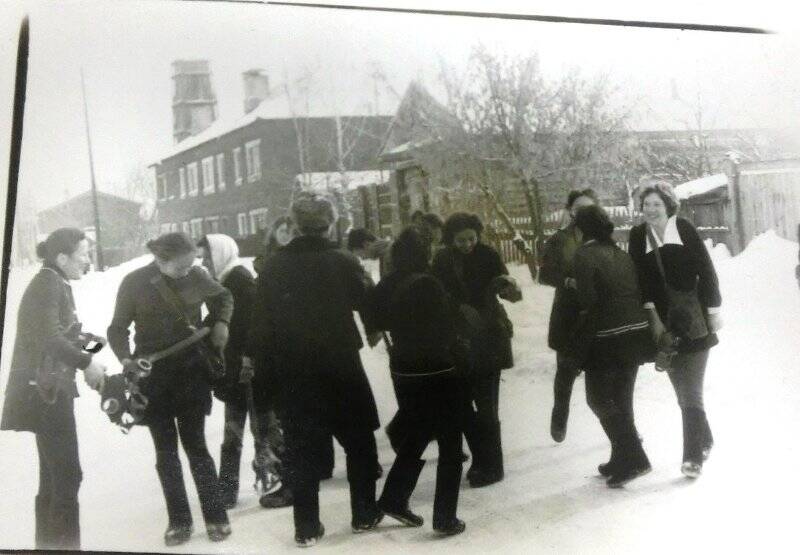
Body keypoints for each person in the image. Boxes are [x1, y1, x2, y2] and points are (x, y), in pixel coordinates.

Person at [247, 192, 383, 547]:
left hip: (294, 370)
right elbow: (368, 304)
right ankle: (365, 513)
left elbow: (260, 326)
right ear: (331, 222)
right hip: (340, 365)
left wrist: (263, 376)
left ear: (293, 224)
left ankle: (306, 527)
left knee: (301, 447)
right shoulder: (342, 260)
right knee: (358, 441)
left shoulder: (274, 266)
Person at [107, 232, 233, 546]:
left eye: (191, 265)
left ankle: (216, 517)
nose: (187, 272)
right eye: (180, 267)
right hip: (153, 378)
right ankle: (179, 522)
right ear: (161, 260)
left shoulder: (196, 274)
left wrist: (221, 322)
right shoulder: (134, 283)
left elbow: (223, 297)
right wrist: (126, 360)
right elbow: (117, 328)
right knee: (165, 453)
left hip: (191, 372)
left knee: (197, 447)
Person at [1, 228, 107, 550]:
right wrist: (86, 363)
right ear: (62, 257)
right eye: (83, 254)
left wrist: (90, 345)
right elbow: (49, 337)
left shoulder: (53, 280)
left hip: (46, 392)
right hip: (45, 394)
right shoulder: (48, 283)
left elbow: (57, 333)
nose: (87, 261)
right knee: (67, 478)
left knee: (53, 480)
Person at [369, 227, 470, 536]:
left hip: (402, 370)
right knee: (451, 443)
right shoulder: (430, 284)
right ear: (424, 255)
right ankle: (445, 517)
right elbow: (447, 327)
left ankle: (394, 498)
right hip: (437, 370)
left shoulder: (384, 285)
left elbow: (373, 325)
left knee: (417, 432)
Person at [629, 182, 722, 479]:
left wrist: (713, 310)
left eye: (656, 204)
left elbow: (707, 271)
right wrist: (651, 317)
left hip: (693, 323)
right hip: (663, 327)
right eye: (646, 205)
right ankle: (704, 438)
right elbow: (638, 281)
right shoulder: (637, 236)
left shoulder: (683, 228)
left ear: (668, 205)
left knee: (691, 391)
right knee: (682, 392)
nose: (651, 210)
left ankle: (692, 457)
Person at [197, 234, 289, 510]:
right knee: (235, 434)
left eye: (207, 256)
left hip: (250, 373)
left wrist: (248, 362)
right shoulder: (223, 282)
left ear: (221, 253)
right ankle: (227, 490)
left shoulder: (240, 281)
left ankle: (288, 480)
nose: (203, 262)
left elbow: (254, 327)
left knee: (265, 430)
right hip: (235, 373)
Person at [432, 213, 522, 488]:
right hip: (458, 339)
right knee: (464, 406)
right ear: (450, 239)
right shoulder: (442, 260)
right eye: (461, 240)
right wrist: (456, 308)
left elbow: (506, 287)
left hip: (489, 336)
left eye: (472, 238)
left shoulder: (488, 254)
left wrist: (509, 288)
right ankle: (480, 460)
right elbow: (437, 294)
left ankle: (493, 466)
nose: (468, 244)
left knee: (487, 406)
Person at [571, 206, 652, 487]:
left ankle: (636, 457)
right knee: (621, 400)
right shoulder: (620, 252)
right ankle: (621, 460)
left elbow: (587, 299)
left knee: (598, 399)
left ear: (580, 230)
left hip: (606, 336)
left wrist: (572, 285)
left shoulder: (584, 255)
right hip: (635, 333)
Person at [539, 189, 598, 443]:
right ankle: (559, 415)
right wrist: (567, 280)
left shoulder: (603, 236)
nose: (583, 213)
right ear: (570, 211)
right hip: (568, 315)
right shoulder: (559, 240)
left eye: (589, 208)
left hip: (596, 314)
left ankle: (619, 429)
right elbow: (545, 274)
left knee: (601, 377)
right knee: (565, 372)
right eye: (578, 209)